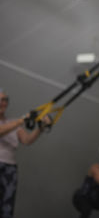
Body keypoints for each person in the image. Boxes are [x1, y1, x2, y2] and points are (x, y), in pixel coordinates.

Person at [0, 89, 51, 218]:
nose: (3, 103)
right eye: (0, 100)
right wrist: (22, 120)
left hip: (10, 170)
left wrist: (41, 127)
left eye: (5, 100)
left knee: (6, 209)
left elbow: (27, 140)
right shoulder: (16, 122)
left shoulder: (14, 123)